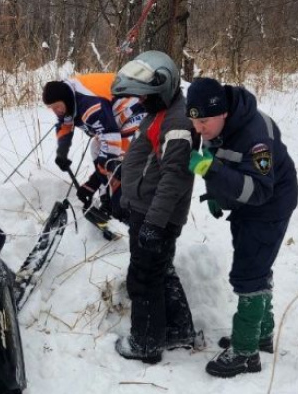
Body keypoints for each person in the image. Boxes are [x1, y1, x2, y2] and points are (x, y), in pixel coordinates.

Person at [185, 77, 298, 378]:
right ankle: (260, 334)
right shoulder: (216, 126)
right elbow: (219, 160)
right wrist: (216, 193)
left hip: (270, 206)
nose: (199, 129)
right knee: (256, 266)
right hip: (246, 206)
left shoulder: (256, 138)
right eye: (195, 121)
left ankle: (246, 353)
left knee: (249, 273)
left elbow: (261, 191)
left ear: (223, 112)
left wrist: (212, 171)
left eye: (204, 121)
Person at [110, 50, 201, 364]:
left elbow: (175, 178)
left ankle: (146, 344)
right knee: (161, 271)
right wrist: (126, 197)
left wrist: (153, 223)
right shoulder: (160, 109)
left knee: (144, 277)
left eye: (145, 95)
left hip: (156, 215)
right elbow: (144, 158)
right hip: (145, 208)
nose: (140, 101)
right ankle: (179, 330)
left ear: (163, 87)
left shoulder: (177, 121)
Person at [42, 73, 144, 217]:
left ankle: (123, 206)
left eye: (57, 106)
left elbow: (110, 142)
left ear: (65, 100)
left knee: (116, 158)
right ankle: (107, 198)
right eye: (51, 108)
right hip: (113, 112)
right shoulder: (68, 97)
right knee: (97, 147)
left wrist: (92, 184)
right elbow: (65, 124)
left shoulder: (90, 105)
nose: (56, 111)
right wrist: (62, 152)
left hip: (137, 107)